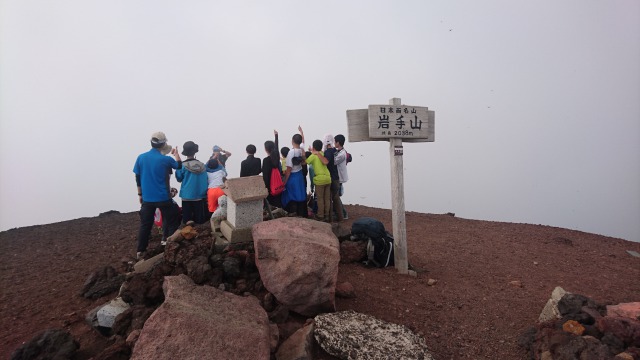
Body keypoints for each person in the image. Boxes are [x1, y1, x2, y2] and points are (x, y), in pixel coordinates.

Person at [133, 131, 182, 259]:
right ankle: (169, 246)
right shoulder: (166, 159)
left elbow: (137, 178)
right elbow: (179, 166)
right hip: (163, 198)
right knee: (172, 220)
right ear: (163, 144)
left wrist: (140, 194)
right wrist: (176, 154)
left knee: (145, 225)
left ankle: (140, 251)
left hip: (147, 199)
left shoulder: (141, 158)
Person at [175, 141, 208, 224]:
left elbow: (179, 178)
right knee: (200, 221)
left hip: (186, 196)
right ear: (195, 151)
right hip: (199, 196)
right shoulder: (202, 165)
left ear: (185, 153)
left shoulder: (183, 166)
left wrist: (177, 162)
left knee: (187, 221)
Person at [281, 126, 307, 217]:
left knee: (292, 195)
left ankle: (293, 213)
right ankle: (301, 213)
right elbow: (303, 142)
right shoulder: (302, 150)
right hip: (299, 175)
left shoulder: (291, 153)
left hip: (292, 176)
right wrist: (301, 132)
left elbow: (288, 169)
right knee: (300, 194)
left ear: (292, 141)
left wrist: (284, 181)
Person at [306, 140, 331, 221]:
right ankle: (327, 215)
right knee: (327, 199)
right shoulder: (322, 154)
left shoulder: (313, 156)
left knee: (320, 199)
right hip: (328, 178)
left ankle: (320, 215)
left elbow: (306, 162)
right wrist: (312, 151)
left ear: (313, 147)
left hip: (320, 180)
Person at [323, 134, 343, 222]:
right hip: (336, 177)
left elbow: (326, 162)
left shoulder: (328, 152)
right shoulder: (336, 151)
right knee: (336, 198)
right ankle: (340, 217)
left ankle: (330, 219)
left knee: (329, 198)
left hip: (330, 178)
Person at [262, 130, 283, 208]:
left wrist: (266, 187)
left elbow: (266, 176)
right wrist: (276, 136)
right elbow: (277, 149)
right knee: (277, 201)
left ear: (266, 149)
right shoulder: (276, 158)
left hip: (270, 186)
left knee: (270, 204)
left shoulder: (266, 160)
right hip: (277, 185)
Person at [334, 134, 349, 219]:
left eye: (334, 141)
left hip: (339, 177)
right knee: (337, 196)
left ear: (338, 143)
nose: (333, 143)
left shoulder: (342, 154)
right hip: (339, 177)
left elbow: (333, 161)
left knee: (336, 196)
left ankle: (343, 213)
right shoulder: (339, 152)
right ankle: (341, 213)